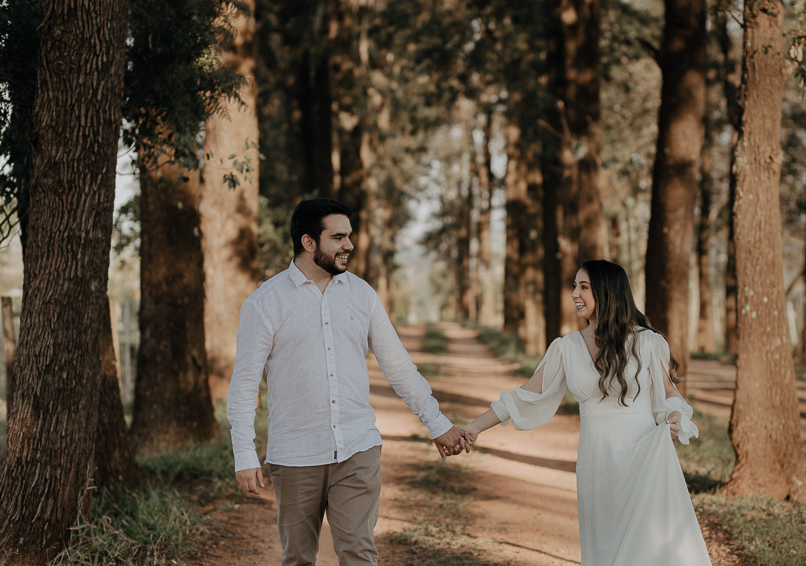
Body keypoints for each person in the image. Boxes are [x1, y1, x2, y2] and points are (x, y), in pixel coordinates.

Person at [226, 198, 469, 566]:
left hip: (357, 447)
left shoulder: (361, 294)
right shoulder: (264, 303)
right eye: (338, 237)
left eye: (349, 236)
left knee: (359, 554)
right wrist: (244, 453)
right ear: (309, 242)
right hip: (295, 456)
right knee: (298, 558)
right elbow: (244, 386)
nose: (349, 245)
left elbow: (399, 367)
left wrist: (437, 424)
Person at [459, 260, 712, 566]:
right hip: (596, 462)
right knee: (604, 547)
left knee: (645, 546)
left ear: (607, 291)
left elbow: (670, 393)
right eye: (574, 286)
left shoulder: (646, 342)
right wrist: (474, 427)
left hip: (643, 456)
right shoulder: (566, 348)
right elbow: (524, 396)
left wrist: (675, 416)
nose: (574, 294)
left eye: (583, 287)